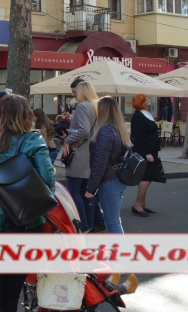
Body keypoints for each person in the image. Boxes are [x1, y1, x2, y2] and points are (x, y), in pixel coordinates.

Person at [0, 94, 55, 312]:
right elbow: (47, 178)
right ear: (26, 115)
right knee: (12, 293)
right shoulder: (34, 140)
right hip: (27, 222)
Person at [85, 96, 130, 234]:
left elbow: (100, 163)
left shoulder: (105, 131)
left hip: (109, 181)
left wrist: (90, 189)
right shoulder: (118, 128)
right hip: (118, 178)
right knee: (115, 221)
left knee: (113, 223)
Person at [62, 79, 98, 232]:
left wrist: (68, 141)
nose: (73, 95)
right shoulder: (94, 106)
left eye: (74, 92)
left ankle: (82, 226)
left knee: (74, 192)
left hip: (80, 155)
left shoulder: (82, 106)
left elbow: (84, 131)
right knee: (86, 193)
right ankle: (89, 225)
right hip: (89, 153)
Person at [130, 94, 161, 217]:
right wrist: (147, 153)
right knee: (146, 178)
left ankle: (143, 203)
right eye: (146, 99)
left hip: (152, 149)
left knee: (148, 177)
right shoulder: (138, 116)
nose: (149, 99)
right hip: (145, 151)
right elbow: (139, 137)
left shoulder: (146, 114)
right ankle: (137, 204)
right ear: (141, 102)